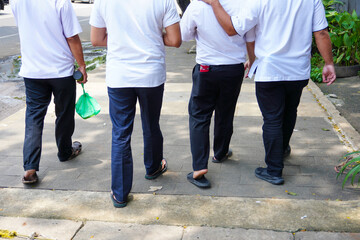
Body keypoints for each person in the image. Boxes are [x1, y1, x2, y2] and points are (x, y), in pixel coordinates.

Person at [201, 0, 336, 185]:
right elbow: (321, 32)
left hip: (270, 70)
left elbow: (234, 29)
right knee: (290, 111)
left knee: (272, 119)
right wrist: (328, 63)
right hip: (298, 71)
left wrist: (215, 3)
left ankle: (274, 170)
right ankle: (281, 150)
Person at [90, 0, 181, 208]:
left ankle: (120, 194)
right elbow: (175, 39)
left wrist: (122, 40)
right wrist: (150, 37)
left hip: (119, 76)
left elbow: (96, 39)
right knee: (151, 123)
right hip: (151, 75)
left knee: (121, 133)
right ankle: (153, 167)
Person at [11, 0, 88, 184]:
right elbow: (72, 37)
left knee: (34, 118)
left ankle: (29, 168)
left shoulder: (17, 2)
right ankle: (64, 152)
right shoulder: (60, 2)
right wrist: (82, 65)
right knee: (64, 113)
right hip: (61, 71)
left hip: (33, 71)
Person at [180, 0, 255, 188]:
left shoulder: (197, 6)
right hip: (233, 69)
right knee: (226, 111)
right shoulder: (243, 5)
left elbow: (184, 35)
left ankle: (199, 167)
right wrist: (252, 60)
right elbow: (251, 36)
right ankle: (220, 152)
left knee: (199, 116)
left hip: (206, 69)